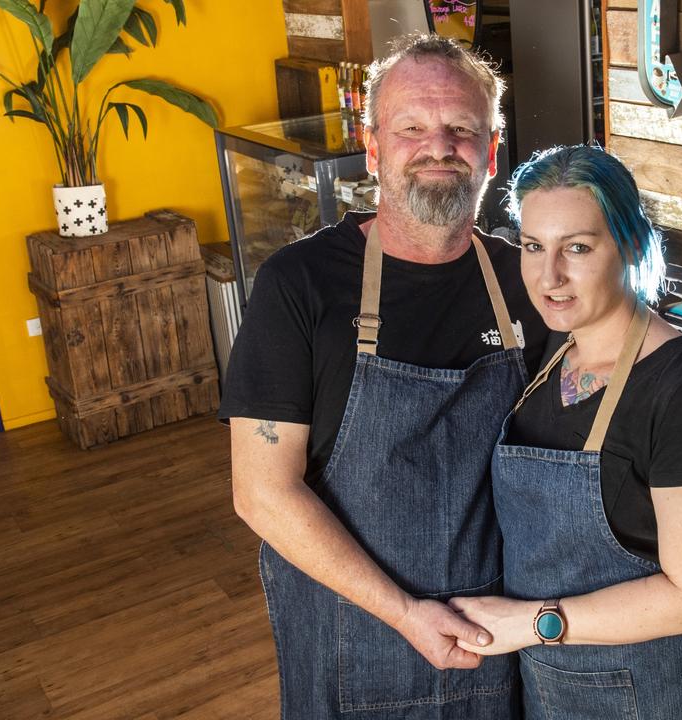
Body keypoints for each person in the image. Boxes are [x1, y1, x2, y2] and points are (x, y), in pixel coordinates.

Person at [220, 35, 546, 719]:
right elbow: (261, 494)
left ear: (491, 152)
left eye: (461, 128)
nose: (438, 147)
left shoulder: (528, 281)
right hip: (351, 638)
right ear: (373, 149)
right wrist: (404, 613)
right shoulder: (300, 285)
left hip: (490, 641)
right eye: (411, 129)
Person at [449, 145, 682, 719]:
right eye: (534, 246)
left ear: (632, 245)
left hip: (657, 698)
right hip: (552, 688)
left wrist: (532, 622)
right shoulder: (550, 359)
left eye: (578, 248)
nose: (549, 275)